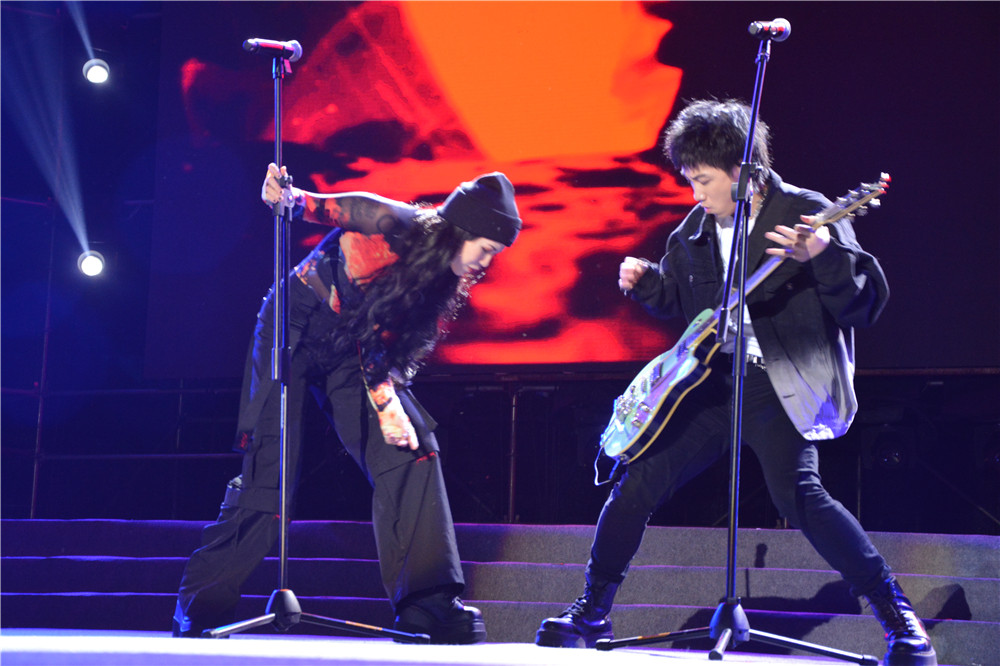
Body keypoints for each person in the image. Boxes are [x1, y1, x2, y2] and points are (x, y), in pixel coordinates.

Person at [534, 99, 936, 666]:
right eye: (689, 179)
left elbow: (863, 304)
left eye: (702, 180)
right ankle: (591, 609)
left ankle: (898, 618)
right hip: (712, 382)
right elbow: (686, 303)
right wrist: (647, 283)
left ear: (743, 172)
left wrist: (821, 253)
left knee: (800, 496)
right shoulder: (694, 232)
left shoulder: (806, 214)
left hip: (778, 381)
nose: (694, 192)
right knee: (638, 480)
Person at [172, 164, 522, 644]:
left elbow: (391, 348)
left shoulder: (436, 279)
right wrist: (288, 197)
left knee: (412, 449)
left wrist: (390, 398)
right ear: (460, 231)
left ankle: (427, 603)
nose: (486, 262)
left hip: (354, 354)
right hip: (295, 327)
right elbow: (329, 207)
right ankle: (203, 602)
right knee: (271, 474)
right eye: (485, 248)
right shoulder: (392, 222)